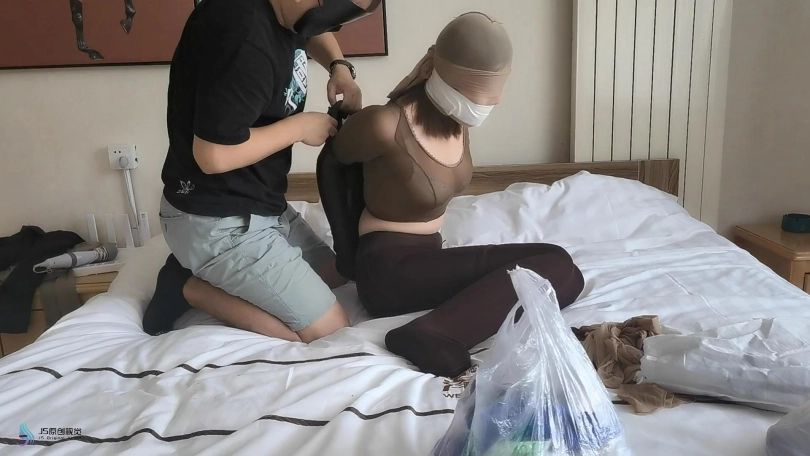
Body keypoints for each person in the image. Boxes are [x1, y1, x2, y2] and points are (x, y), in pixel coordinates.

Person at [318, 12, 586, 378]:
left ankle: (445, 326)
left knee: (567, 274)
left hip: (428, 258)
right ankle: (431, 334)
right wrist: (346, 257)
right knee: (553, 265)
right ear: (442, 74)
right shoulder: (384, 124)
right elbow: (333, 164)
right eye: (478, 91)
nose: (491, 103)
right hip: (388, 271)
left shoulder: (458, 122)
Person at [142, 0, 382, 343]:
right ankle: (188, 287)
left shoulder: (283, 11)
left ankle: (201, 267)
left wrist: (338, 66)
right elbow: (212, 155)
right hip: (216, 216)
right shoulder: (244, 38)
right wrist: (299, 128)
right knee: (330, 332)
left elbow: (310, 26)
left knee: (337, 274)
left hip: (261, 201)